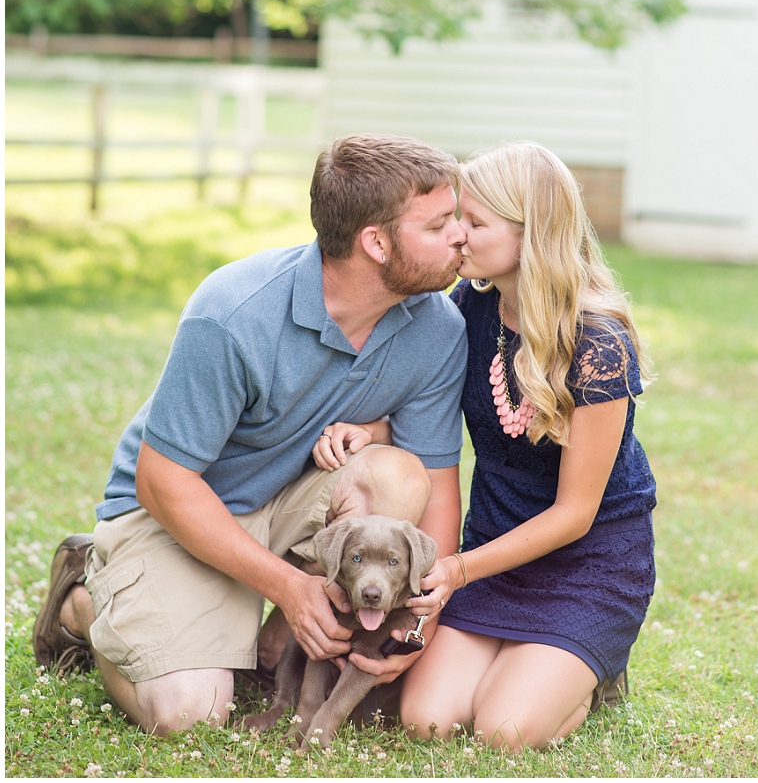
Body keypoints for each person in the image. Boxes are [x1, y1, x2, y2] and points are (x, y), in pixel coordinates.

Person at [31, 134, 471, 734]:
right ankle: (87, 596)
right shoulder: (234, 312)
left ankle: (273, 651)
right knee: (189, 714)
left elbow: (437, 489)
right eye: (440, 224)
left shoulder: (437, 326)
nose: (461, 235)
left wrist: (421, 619)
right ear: (376, 242)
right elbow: (163, 483)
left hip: (292, 503)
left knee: (397, 474)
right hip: (178, 513)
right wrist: (289, 588)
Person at [315, 141, 657, 752]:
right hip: (494, 545)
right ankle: (534, 663)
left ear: (532, 234)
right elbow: (430, 411)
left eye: (473, 223)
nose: (457, 237)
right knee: (427, 719)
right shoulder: (473, 306)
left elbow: (575, 515)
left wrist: (454, 570)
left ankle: (590, 675)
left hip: (587, 562)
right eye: (453, 221)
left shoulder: (599, 345)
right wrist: (371, 433)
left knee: (503, 730)